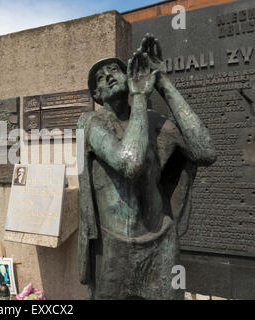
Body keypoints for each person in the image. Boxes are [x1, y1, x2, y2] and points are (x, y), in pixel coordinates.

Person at [77, 34, 216, 300]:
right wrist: (139, 96)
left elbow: (205, 152)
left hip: (161, 240)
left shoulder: (152, 120)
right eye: (99, 78)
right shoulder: (91, 123)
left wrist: (163, 82)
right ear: (96, 94)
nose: (108, 77)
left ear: (128, 74)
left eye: (114, 70)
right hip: (114, 246)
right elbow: (129, 162)